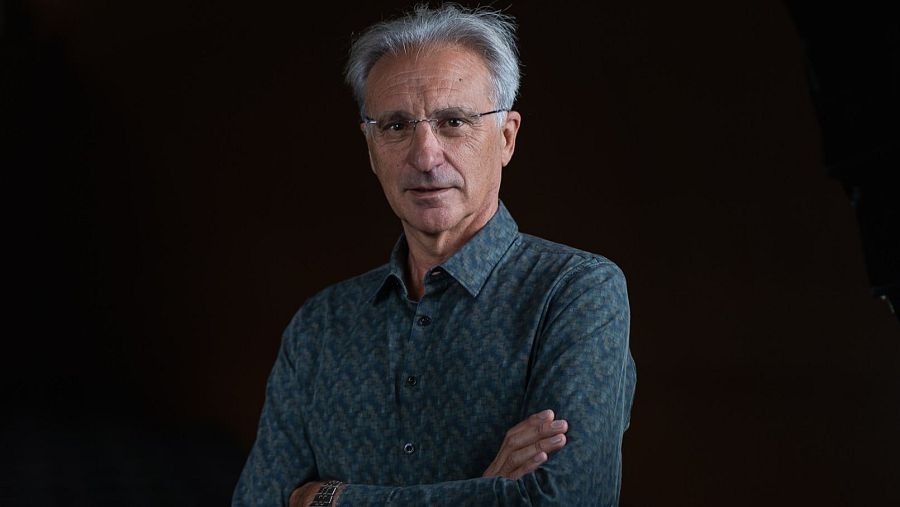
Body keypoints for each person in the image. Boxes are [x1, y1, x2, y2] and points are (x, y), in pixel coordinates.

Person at [233, 4, 636, 506]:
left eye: (453, 121)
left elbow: (565, 501)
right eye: (396, 126)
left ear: (506, 137)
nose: (425, 156)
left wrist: (326, 498)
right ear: (370, 146)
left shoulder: (575, 293)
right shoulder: (320, 326)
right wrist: (486, 493)